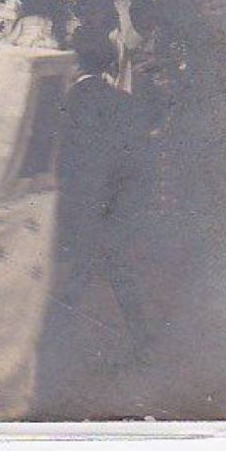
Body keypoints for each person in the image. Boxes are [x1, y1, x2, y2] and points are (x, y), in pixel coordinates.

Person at [47, 28, 156, 365]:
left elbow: (63, 158)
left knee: (86, 266)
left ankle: (55, 339)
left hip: (82, 200)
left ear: (75, 63)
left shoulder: (68, 102)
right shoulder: (124, 101)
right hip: (115, 200)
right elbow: (135, 157)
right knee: (108, 266)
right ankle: (140, 337)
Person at [12, 0, 79, 49]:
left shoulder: (66, 23)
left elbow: (69, 45)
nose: (43, 1)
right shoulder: (25, 21)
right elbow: (9, 41)